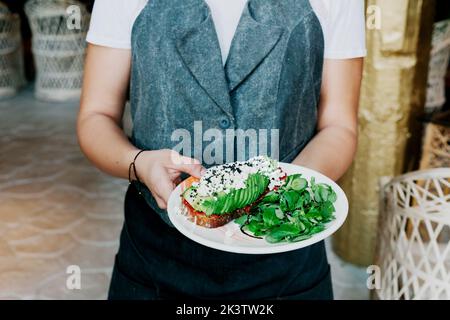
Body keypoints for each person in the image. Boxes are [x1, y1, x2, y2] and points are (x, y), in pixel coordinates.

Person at [77, 0, 366, 299]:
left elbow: (339, 127)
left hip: (287, 259)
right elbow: (96, 116)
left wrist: (285, 185)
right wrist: (137, 163)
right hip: (155, 255)